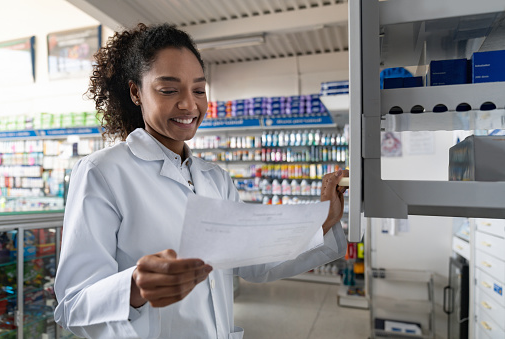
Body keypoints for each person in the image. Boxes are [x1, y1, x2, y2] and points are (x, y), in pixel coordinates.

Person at [54, 23, 347, 339]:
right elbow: (73, 303)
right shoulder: (103, 172)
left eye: (198, 90)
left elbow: (256, 263)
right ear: (136, 92)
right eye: (168, 90)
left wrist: (323, 221)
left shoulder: (215, 179)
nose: (189, 105)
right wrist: (134, 288)